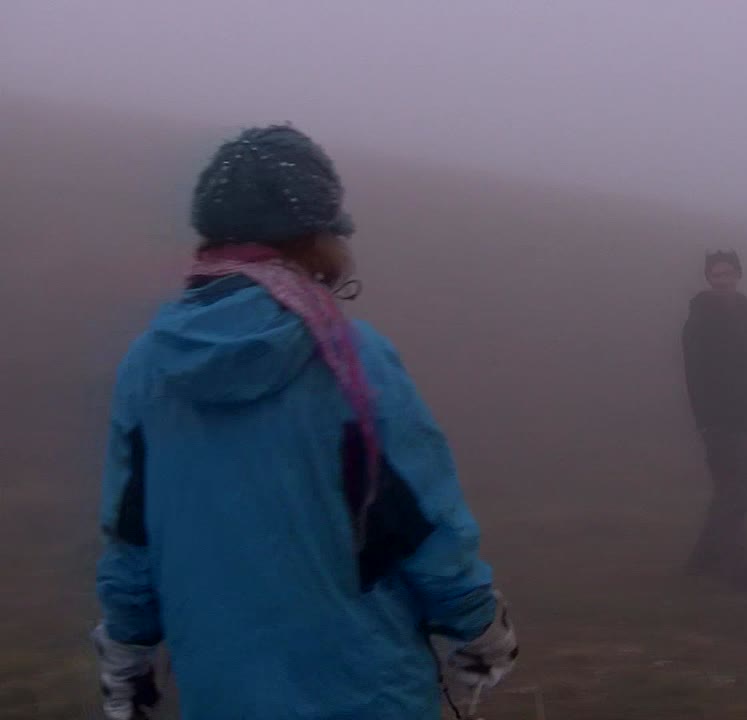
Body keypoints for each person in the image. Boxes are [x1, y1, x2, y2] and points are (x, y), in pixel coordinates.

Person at [91, 126, 516, 720]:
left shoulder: (148, 367)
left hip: (220, 692)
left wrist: (127, 656)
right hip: (367, 690)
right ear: (317, 238)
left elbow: (131, 538)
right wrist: (478, 628)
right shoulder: (351, 359)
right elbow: (420, 520)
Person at [681, 250, 747, 591]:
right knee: (735, 495)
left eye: (728, 273)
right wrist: (706, 422)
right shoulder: (699, 319)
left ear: (739, 274)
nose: (722, 280)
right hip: (720, 421)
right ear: (709, 279)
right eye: (716, 274)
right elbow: (693, 375)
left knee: (740, 493)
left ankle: (702, 562)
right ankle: (742, 576)